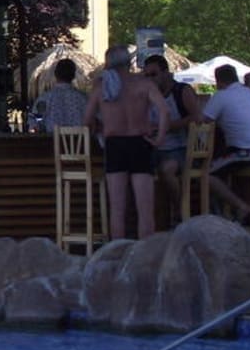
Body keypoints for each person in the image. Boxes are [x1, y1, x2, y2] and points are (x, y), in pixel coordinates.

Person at [83, 45, 168, 240]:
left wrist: (100, 127)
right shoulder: (144, 84)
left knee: (117, 209)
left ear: (107, 64)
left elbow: (86, 120)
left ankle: (118, 253)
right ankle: (145, 254)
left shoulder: (101, 87)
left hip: (115, 144)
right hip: (140, 143)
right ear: (129, 63)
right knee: (145, 209)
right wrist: (159, 138)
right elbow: (164, 111)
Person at [202, 63, 250, 223]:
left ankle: (242, 207)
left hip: (246, 152)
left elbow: (202, 121)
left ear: (218, 81)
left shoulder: (221, 95)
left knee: (207, 174)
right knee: (234, 171)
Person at [142, 54, 203, 225]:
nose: (150, 79)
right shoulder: (146, 95)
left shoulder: (181, 91)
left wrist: (169, 126)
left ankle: (180, 211)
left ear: (165, 73)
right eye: (146, 75)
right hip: (154, 148)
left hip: (181, 148)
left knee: (167, 170)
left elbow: (197, 118)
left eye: (153, 74)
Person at [33, 58, 88, 133]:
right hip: (82, 140)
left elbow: (35, 123)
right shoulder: (83, 99)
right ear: (73, 76)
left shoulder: (45, 98)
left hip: (50, 139)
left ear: (55, 74)